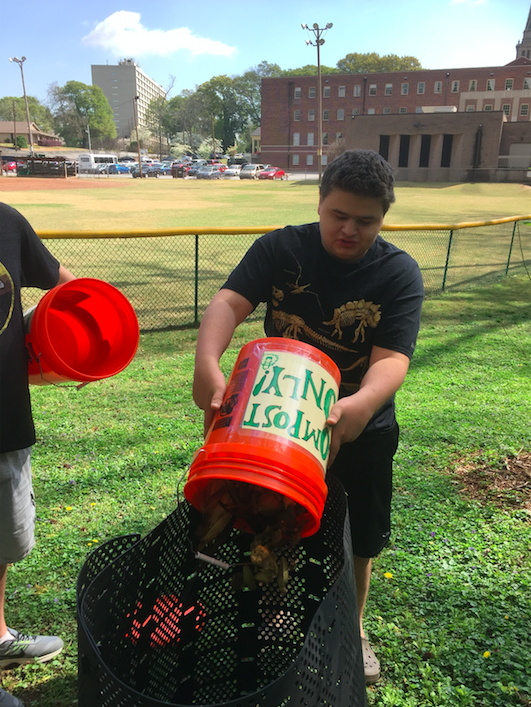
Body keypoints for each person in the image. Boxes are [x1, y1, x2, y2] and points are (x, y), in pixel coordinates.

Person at [192, 149, 424, 685]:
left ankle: (355, 628)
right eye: (338, 215)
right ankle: (274, 615)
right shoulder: (280, 247)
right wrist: (207, 364)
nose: (349, 229)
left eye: (365, 221)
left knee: (358, 538)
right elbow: (228, 303)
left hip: (358, 428)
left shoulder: (398, 272)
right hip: (272, 424)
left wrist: (360, 406)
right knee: (268, 518)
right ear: (319, 204)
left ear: (383, 218)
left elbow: (391, 359)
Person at [0, 202, 76, 707]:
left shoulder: (7, 222)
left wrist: (95, 318)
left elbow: (65, 287)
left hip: (6, 424)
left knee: (5, 542)